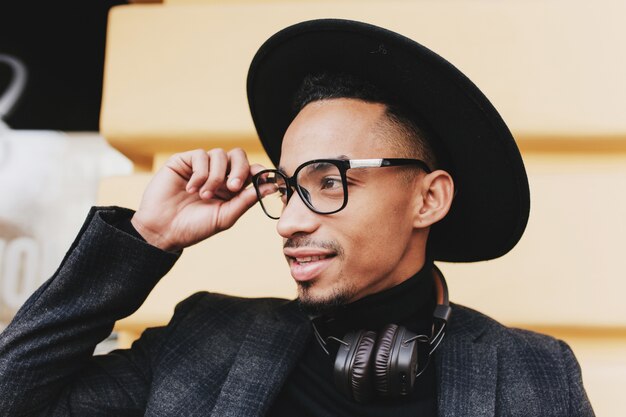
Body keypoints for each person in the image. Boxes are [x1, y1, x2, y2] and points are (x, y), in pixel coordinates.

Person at [0, 19, 594, 417]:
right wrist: (146, 239)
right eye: (287, 188)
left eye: (330, 181)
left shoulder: (534, 372)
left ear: (428, 199)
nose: (287, 224)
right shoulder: (204, 336)